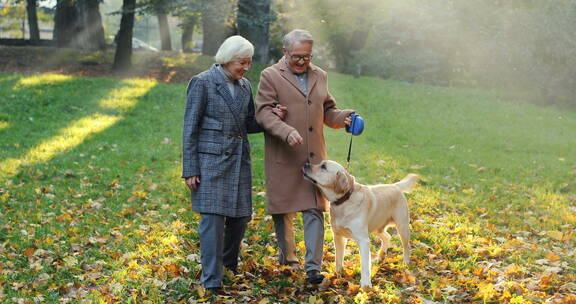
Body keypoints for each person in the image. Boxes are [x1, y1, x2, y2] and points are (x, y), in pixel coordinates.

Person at [182, 35, 285, 293]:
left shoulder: (244, 86)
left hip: (238, 161)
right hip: (210, 164)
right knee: (212, 222)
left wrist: (271, 116)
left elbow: (249, 123)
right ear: (228, 59)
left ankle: (227, 266)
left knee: (240, 219)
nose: (246, 68)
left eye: (249, 63)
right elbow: (189, 128)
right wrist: (191, 168)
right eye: (242, 62)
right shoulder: (203, 82)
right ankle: (212, 280)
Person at [255, 29, 355, 284]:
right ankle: (288, 259)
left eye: (307, 57)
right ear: (285, 52)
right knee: (284, 209)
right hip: (284, 153)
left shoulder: (320, 75)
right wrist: (285, 131)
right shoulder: (270, 76)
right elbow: (264, 113)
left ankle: (313, 267)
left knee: (314, 209)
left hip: (314, 158)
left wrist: (343, 118)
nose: (302, 61)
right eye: (297, 56)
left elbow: (328, 110)